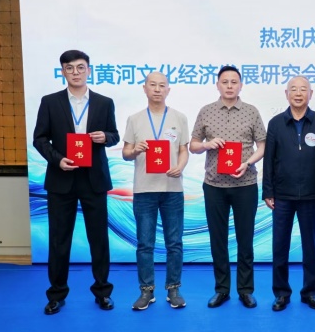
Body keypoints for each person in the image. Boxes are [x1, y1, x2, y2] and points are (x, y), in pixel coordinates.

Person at [33, 49, 119, 314]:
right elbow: (39, 139)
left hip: (94, 179)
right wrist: (57, 159)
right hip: (62, 177)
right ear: (62, 72)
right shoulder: (50, 101)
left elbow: (115, 135)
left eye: (80, 67)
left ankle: (102, 292)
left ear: (88, 70)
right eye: (69, 68)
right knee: (59, 240)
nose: (76, 72)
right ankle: (56, 294)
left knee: (99, 239)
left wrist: (105, 137)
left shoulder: (104, 102)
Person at [190, 65, 266, 309]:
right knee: (218, 239)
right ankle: (221, 289)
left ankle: (245, 290)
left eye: (234, 82)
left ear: (241, 85)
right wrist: (206, 144)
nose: (230, 86)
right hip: (214, 185)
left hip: (245, 184)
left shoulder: (251, 111)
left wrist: (248, 163)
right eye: (225, 82)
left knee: (245, 239)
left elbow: (263, 145)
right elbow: (193, 145)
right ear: (218, 85)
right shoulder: (206, 111)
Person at [262, 75, 315, 312]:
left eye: (303, 89)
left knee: (310, 246)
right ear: (286, 94)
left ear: (311, 94)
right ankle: (281, 293)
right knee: (279, 246)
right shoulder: (275, 123)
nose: (298, 93)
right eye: (294, 89)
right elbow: (269, 160)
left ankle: (310, 293)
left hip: (312, 194)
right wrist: (268, 191)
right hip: (282, 194)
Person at [122, 72, 189, 310]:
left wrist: (180, 166)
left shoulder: (179, 118)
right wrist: (135, 150)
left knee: (174, 243)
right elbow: (125, 152)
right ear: (145, 88)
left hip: (172, 189)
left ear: (168, 90)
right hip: (144, 190)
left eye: (162, 85)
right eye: (153, 85)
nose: (157, 89)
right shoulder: (135, 119)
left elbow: (184, 150)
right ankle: (146, 291)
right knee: (145, 244)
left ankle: (173, 289)